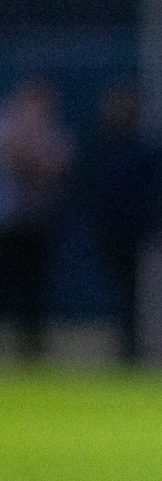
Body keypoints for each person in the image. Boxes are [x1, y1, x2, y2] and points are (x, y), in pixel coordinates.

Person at [88, 84, 162, 364]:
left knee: (131, 293)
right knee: (121, 292)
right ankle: (126, 345)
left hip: (132, 231)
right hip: (113, 230)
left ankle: (132, 346)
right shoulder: (105, 148)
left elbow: (152, 194)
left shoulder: (140, 150)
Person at [0, 78, 74, 361]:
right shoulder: (7, 124)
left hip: (36, 224)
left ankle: (30, 349)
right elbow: (15, 156)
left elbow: (56, 165)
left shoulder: (54, 133)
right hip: (7, 222)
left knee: (33, 291)